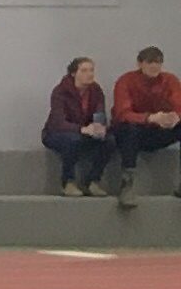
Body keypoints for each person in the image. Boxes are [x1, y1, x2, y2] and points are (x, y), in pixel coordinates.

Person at [111, 44, 181, 192]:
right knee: (130, 129)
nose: (154, 66)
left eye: (158, 62)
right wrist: (150, 118)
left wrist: (175, 117)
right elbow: (122, 113)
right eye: (150, 62)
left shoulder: (170, 80)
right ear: (140, 64)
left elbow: (179, 105)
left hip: (158, 131)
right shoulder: (126, 80)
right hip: (131, 132)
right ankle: (127, 185)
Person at [46, 56, 115, 195]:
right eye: (84, 70)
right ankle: (68, 182)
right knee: (72, 140)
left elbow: (99, 111)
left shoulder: (96, 90)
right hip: (57, 133)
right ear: (73, 73)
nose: (89, 74)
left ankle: (93, 181)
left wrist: (99, 127)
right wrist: (82, 129)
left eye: (91, 70)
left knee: (109, 141)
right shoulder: (60, 91)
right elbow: (58, 122)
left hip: (86, 132)